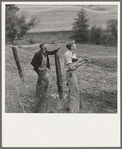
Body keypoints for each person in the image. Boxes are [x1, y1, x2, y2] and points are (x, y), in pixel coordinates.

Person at [64, 41, 88, 113]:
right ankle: (74, 112)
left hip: (73, 73)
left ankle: (68, 107)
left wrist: (83, 62)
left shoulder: (73, 54)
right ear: (71, 47)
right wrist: (79, 60)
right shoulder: (67, 54)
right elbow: (71, 66)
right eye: (74, 44)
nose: (76, 45)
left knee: (71, 91)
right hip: (70, 74)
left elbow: (75, 66)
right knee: (75, 94)